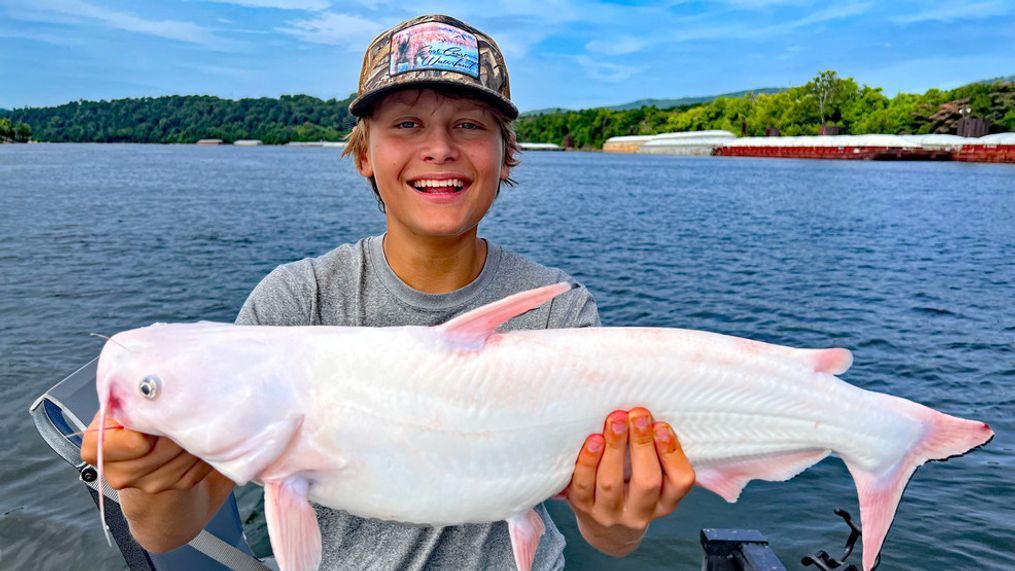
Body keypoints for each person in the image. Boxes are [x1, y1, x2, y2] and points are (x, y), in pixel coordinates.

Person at [81, 14, 695, 569]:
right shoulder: (297, 303)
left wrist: (624, 506)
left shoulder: (557, 307)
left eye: (468, 125)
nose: (439, 149)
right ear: (363, 154)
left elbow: (610, 536)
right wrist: (149, 482)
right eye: (406, 124)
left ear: (506, 154)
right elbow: (166, 535)